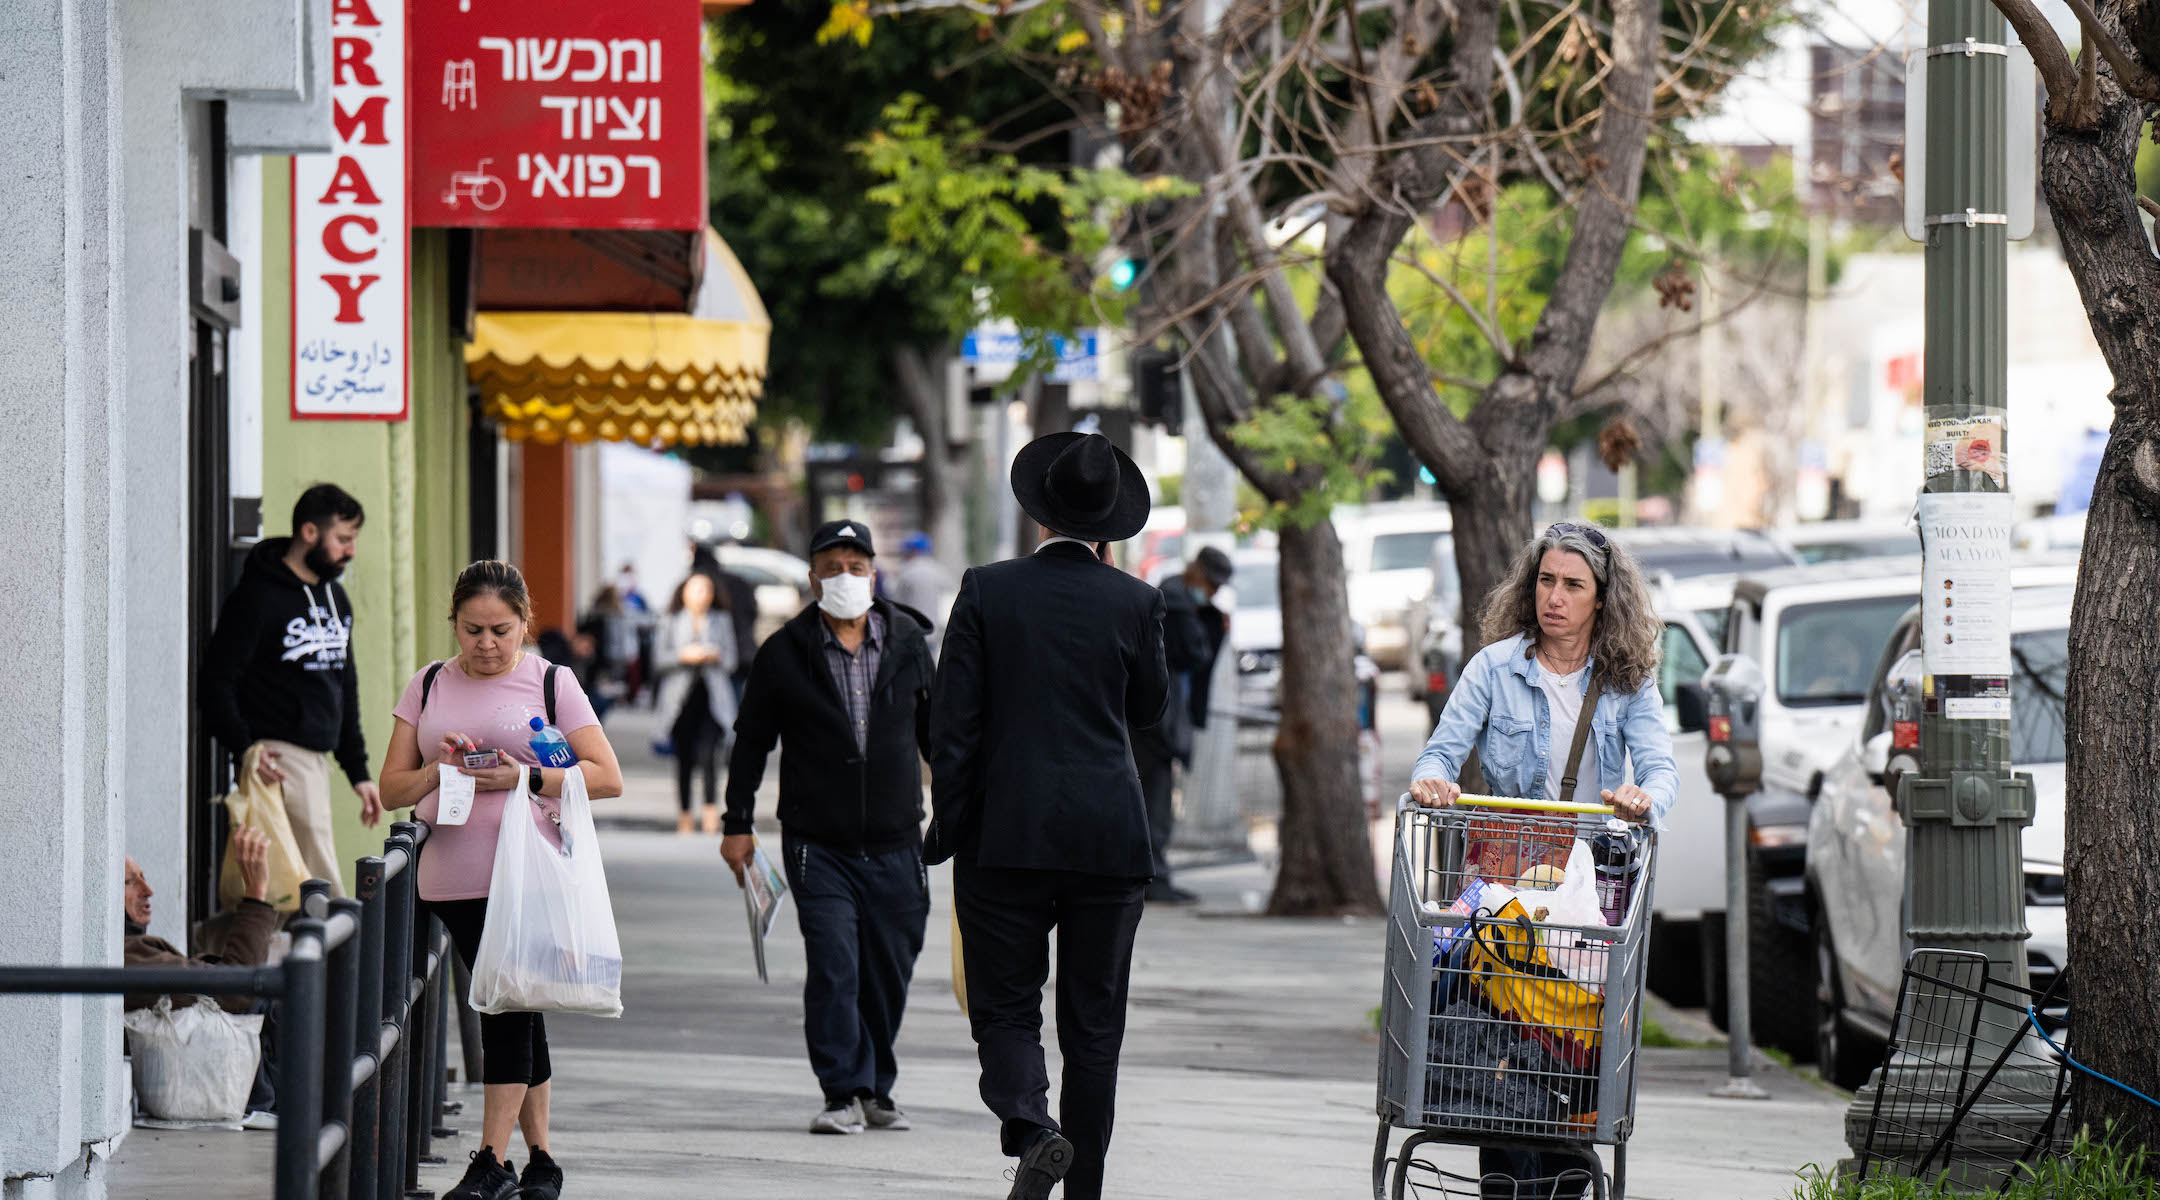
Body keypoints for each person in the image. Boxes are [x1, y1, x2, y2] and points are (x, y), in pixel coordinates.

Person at [926, 432, 1170, 1200]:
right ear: (1107, 528)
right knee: (1095, 1029)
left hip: (1008, 835)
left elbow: (953, 728)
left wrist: (948, 827)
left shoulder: (986, 590)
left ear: (1038, 516)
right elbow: (1151, 710)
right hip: (1109, 837)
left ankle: (1034, 1129)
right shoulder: (1137, 600)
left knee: (1004, 1007)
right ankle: (1083, 1191)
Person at [1405, 521, 1676, 1196]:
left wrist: (1642, 799)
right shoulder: (1494, 668)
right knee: (1501, 1042)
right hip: (1509, 887)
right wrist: (1431, 779)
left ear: (1602, 599)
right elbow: (1440, 751)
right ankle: (1505, 1180)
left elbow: (1661, 768)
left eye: (1573, 586)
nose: (1555, 597)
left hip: (1593, 892)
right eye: (1546, 581)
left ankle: (1561, 1177)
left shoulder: (1628, 680)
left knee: (1577, 1047)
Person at [375, 560, 625, 1200]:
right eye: (472, 629)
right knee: (519, 1006)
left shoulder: (551, 683)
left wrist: (522, 777)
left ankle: (491, 1161)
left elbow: (605, 776)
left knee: (505, 1008)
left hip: (529, 874)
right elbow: (393, 787)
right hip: (451, 878)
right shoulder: (428, 684)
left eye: (501, 630)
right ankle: (540, 1161)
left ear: (525, 624)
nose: (486, 644)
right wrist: (440, 769)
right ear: (453, 624)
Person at [720, 520, 938, 1136]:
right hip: (818, 843)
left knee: (889, 969)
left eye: (857, 566)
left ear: (874, 574)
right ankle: (842, 1091)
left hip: (898, 839)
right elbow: (751, 744)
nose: (845, 577)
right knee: (837, 965)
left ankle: (877, 1087)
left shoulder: (908, 645)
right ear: (812, 576)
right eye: (832, 567)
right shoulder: (784, 652)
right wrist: (737, 823)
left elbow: (939, 738)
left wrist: (963, 810)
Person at [199, 484, 382, 896]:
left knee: (281, 886)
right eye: (343, 539)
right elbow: (216, 681)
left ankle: (240, 952)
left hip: (315, 761)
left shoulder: (337, 599)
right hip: (279, 756)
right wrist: (246, 748)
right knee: (321, 888)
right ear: (310, 533)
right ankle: (345, 960)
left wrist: (358, 771)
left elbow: (343, 685)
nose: (350, 551)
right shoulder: (258, 598)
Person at [124, 828, 283, 1129]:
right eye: (129, 882)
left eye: (143, 876)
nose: (148, 890)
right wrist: (256, 894)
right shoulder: (126, 954)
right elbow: (236, 989)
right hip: (250, 1094)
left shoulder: (131, 949)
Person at [1131, 547, 1233, 904]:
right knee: (1154, 804)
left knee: (1156, 803)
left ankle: (1154, 876)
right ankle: (1152, 879)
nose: (1215, 592)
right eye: (1212, 584)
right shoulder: (1173, 602)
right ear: (1197, 573)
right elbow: (1194, 653)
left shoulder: (1180, 602)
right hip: (1158, 727)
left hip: (1163, 722)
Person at [656, 571, 739, 835]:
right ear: (683, 593)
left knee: (710, 756)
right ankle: (684, 814)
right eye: (694, 589)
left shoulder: (721, 621)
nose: (700, 595)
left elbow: (732, 661)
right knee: (684, 758)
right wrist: (684, 656)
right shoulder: (670, 620)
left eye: (705, 590)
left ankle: (711, 811)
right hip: (681, 700)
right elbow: (658, 660)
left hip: (713, 698)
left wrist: (714, 655)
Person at [889, 532, 960, 655]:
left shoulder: (905, 572)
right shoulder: (938, 570)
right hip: (932, 631)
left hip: (910, 633)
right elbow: (953, 592)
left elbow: (894, 603)